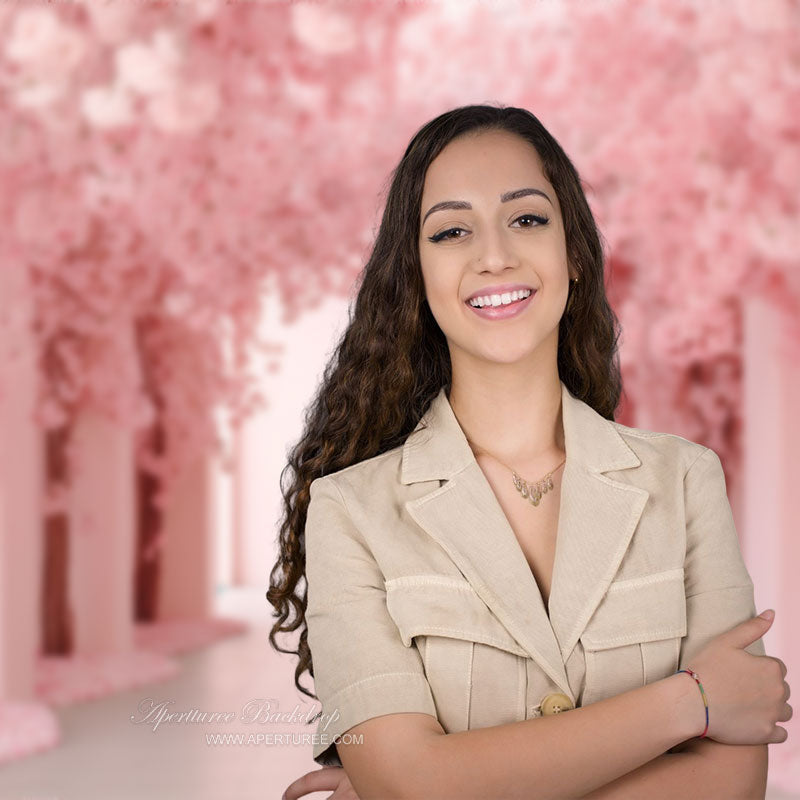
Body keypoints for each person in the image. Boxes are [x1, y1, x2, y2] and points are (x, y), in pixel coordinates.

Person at [268, 104, 792, 800]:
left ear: (572, 252)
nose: (494, 255)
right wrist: (689, 703)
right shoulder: (349, 512)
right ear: (416, 277)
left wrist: (437, 784)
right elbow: (409, 783)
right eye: (452, 231)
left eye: (527, 218)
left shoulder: (686, 481)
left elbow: (731, 785)